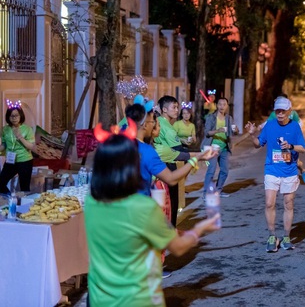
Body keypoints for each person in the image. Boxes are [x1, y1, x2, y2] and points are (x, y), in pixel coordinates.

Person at [85, 128, 220, 307]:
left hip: (98, 298)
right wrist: (200, 229)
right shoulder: (142, 207)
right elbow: (178, 248)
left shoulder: (92, 202)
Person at [245, 96, 305, 252]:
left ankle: (286, 236)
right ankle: (272, 236)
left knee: (288, 203)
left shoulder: (295, 127)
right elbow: (258, 144)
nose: (280, 114)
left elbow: (303, 148)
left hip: (290, 170)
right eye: (277, 110)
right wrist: (252, 134)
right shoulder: (270, 126)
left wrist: (291, 146)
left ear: (289, 111)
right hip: (272, 169)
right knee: (269, 203)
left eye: (283, 111)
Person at [153, 95, 186, 226]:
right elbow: (180, 152)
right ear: (164, 109)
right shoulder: (166, 127)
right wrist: (201, 155)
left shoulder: (160, 122)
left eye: (177, 107)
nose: (177, 110)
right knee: (171, 202)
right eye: (174, 107)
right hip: (167, 167)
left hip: (157, 168)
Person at [201, 97, 239, 197]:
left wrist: (236, 130)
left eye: (224, 104)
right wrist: (218, 130)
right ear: (217, 106)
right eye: (220, 104)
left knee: (225, 171)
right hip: (212, 147)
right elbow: (207, 133)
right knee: (211, 171)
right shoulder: (211, 117)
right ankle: (206, 193)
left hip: (224, 148)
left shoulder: (229, 118)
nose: (222, 106)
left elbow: (235, 130)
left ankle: (218, 191)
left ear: (227, 106)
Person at [0, 101, 36, 194]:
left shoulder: (27, 129)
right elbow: (4, 145)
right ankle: (10, 199)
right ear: (8, 117)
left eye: (16, 115)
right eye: (12, 116)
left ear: (21, 116)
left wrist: (20, 137)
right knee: (1, 183)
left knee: (24, 187)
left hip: (24, 160)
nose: (14, 118)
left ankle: (24, 206)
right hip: (10, 160)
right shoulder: (5, 129)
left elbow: (31, 146)